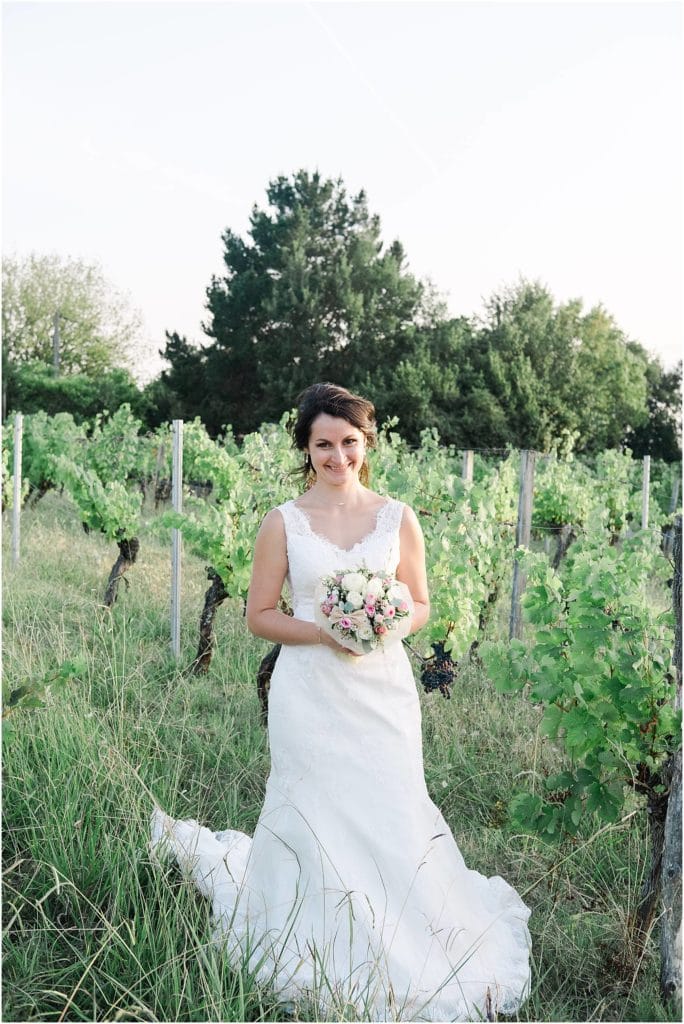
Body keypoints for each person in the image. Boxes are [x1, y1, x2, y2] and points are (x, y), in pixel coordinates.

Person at [151, 383, 532, 1021]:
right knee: (313, 804)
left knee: (390, 802)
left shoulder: (397, 517)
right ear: (305, 448)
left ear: (366, 443)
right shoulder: (284, 522)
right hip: (309, 690)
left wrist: (381, 627)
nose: (337, 455)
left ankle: (405, 935)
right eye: (323, 443)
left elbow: (421, 601)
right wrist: (327, 633)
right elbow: (260, 616)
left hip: (382, 689)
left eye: (348, 442)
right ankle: (307, 934)